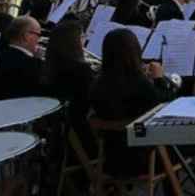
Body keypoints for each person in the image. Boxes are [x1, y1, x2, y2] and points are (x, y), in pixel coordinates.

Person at [91, 29, 175, 177]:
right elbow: (165, 104)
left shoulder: (97, 84)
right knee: (182, 144)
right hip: (143, 160)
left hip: (111, 161)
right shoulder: (138, 83)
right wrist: (159, 78)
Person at [43, 21, 96, 152]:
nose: (84, 40)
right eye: (82, 36)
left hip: (60, 127)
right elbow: (92, 100)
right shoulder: (81, 70)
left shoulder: (49, 64)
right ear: (74, 42)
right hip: (79, 131)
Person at [0, 16, 45, 99]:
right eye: (38, 35)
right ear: (26, 36)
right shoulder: (34, 65)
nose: (39, 39)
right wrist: (37, 60)